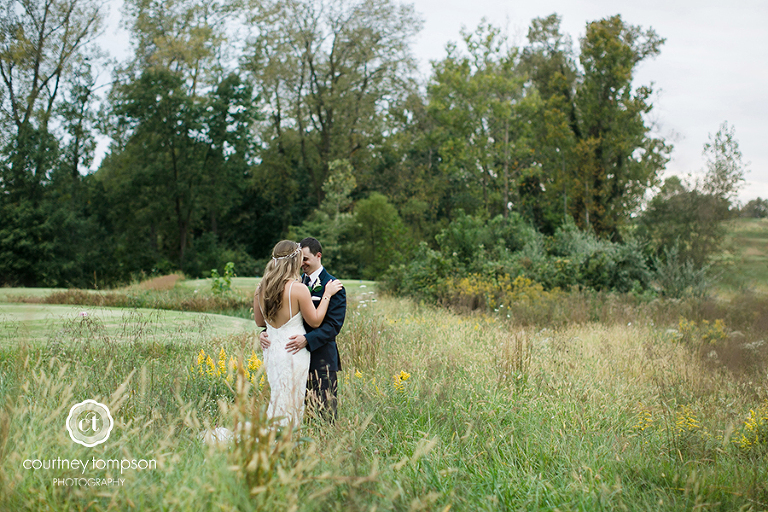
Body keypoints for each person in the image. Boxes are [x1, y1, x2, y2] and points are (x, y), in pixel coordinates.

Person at [253, 240, 343, 428]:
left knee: (320, 413)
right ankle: (286, 440)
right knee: (287, 402)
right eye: (300, 259)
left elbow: (333, 326)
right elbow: (315, 321)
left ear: (319, 256)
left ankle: (285, 438)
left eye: (306, 259)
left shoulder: (262, 287)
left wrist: (302, 339)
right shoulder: (298, 286)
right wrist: (265, 333)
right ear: (293, 261)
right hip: (293, 355)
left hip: (309, 356)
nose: (302, 263)